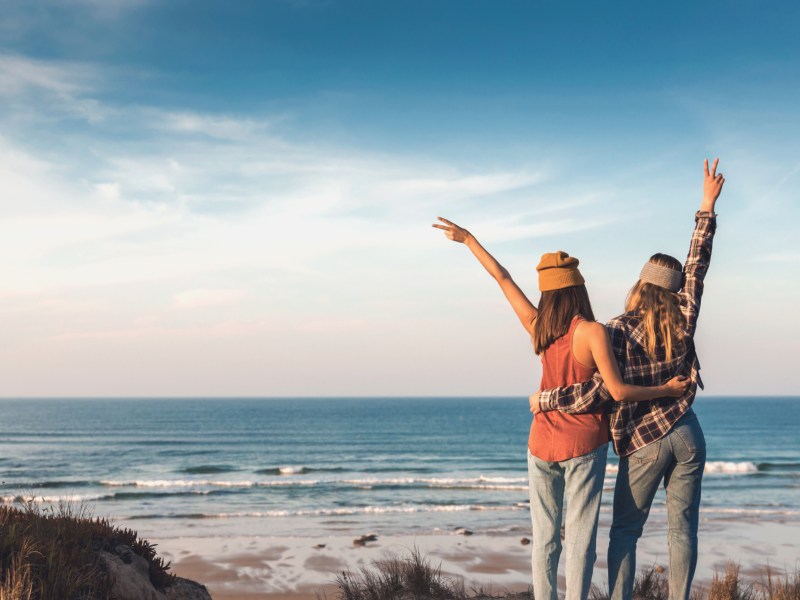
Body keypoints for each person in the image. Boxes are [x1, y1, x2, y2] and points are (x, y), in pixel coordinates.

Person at [432, 218, 689, 600]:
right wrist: (665, 388)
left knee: (545, 538)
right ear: (579, 289)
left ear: (548, 293)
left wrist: (469, 240)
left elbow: (503, 279)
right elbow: (617, 391)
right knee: (580, 538)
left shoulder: (537, 325)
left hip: (540, 444)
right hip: (584, 445)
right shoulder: (592, 331)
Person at [533, 159, 725, 600]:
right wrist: (707, 206)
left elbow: (601, 391)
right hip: (688, 431)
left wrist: (548, 399)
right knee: (683, 530)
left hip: (644, 442)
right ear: (674, 290)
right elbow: (698, 263)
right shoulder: (686, 315)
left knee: (625, 532)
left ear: (640, 285)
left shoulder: (616, 330)